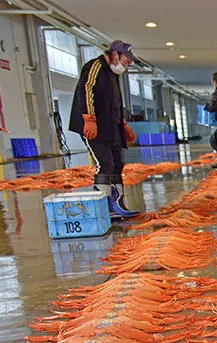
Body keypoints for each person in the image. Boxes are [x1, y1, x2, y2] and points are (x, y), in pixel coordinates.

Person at [69, 40, 139, 218]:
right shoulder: (95, 66)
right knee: (105, 164)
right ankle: (104, 209)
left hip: (111, 127)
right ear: (115, 55)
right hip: (95, 127)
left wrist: (123, 124)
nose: (126, 66)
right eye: (126, 61)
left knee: (117, 164)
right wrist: (89, 119)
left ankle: (118, 205)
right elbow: (86, 89)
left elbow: (114, 102)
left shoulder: (112, 74)